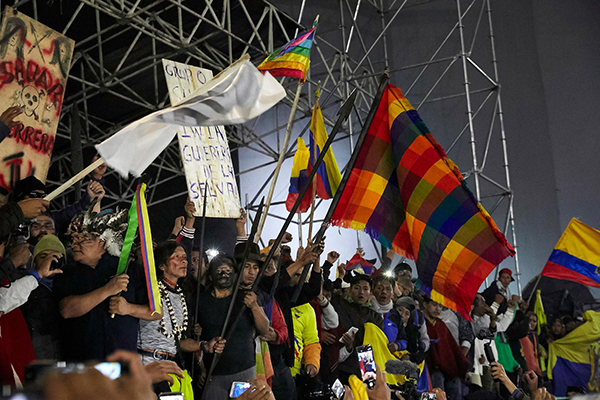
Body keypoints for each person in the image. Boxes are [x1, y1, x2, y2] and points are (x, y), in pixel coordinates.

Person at [53, 208, 146, 361]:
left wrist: (129, 308)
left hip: (122, 366)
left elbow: (155, 311)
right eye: (73, 240)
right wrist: (108, 290)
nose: (75, 245)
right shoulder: (66, 273)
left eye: (82, 239)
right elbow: (66, 310)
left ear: (102, 241)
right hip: (83, 366)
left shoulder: (129, 268)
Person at [196, 255, 271, 400]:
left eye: (228, 270)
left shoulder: (245, 298)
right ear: (211, 276)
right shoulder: (202, 302)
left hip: (243, 372)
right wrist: (201, 367)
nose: (224, 274)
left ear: (235, 275)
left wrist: (254, 306)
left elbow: (264, 329)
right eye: (219, 270)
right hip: (214, 374)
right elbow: (197, 337)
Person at [19, 234, 67, 359]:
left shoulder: (72, 285)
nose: (50, 261)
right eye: (44, 257)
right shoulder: (24, 285)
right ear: (34, 261)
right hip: (36, 353)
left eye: (56, 256)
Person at [332, 274, 383, 385]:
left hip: (367, 363)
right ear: (349, 290)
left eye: (365, 289)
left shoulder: (376, 318)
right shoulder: (341, 306)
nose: (361, 292)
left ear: (370, 292)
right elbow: (331, 291)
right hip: (344, 364)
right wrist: (340, 276)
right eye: (356, 288)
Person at [422, 296, 468, 400]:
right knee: (432, 397)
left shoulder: (441, 324)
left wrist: (462, 365)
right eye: (434, 305)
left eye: (440, 306)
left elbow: (452, 348)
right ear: (425, 304)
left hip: (448, 372)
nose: (438, 309)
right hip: (429, 371)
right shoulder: (419, 322)